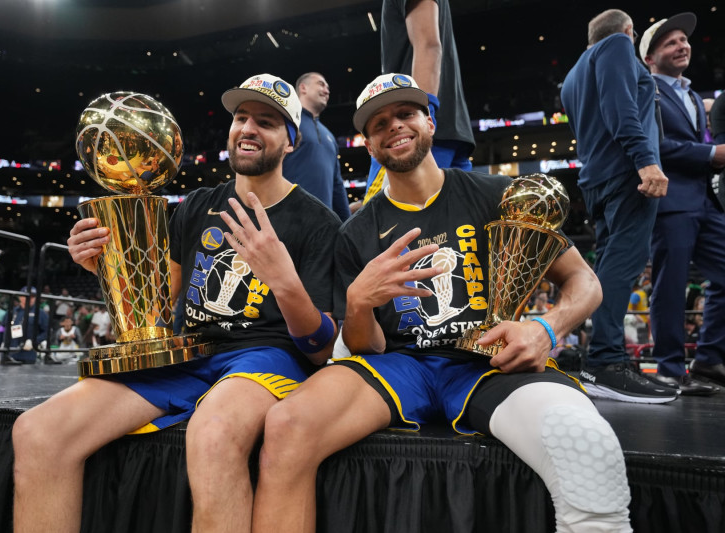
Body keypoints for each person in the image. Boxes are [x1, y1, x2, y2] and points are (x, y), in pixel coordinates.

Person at [252, 73, 633, 533]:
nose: (394, 125)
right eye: (379, 123)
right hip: (398, 366)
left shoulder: (494, 194)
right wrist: (358, 304)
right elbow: (365, 347)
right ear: (368, 144)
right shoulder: (354, 233)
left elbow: (584, 281)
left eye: (405, 114)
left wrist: (545, 329)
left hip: (489, 364)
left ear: (430, 122)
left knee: (583, 443)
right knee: (287, 426)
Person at [11, 73, 341, 533]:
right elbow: (162, 303)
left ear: (291, 142)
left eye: (266, 121)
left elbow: (322, 349)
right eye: (241, 117)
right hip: (187, 353)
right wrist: (105, 268)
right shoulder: (195, 205)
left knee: (213, 433)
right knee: (38, 433)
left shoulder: (319, 222)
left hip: (267, 356)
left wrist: (284, 281)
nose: (248, 128)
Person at [560, 9, 677, 403]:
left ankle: (597, 357)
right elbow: (621, 108)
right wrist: (646, 160)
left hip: (596, 178)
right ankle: (606, 361)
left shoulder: (574, 73)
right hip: (626, 172)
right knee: (625, 260)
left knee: (609, 262)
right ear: (629, 32)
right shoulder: (618, 46)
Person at [639, 13, 725, 395]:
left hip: (706, 200)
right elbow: (657, 147)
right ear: (650, 58)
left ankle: (707, 358)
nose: (682, 45)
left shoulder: (691, 94)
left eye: (684, 41)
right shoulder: (647, 90)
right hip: (673, 201)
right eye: (670, 42)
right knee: (670, 286)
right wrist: (711, 153)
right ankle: (671, 368)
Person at [361, 0, 476, 206]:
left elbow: (428, 46)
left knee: (379, 227)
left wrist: (423, 113)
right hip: (451, 130)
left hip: (412, 132)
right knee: (453, 228)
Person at [282, 72, 351, 221]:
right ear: (303, 88)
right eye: (321, 84)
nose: (327, 91)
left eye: (328, 88)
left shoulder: (330, 136)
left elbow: (337, 185)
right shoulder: (284, 124)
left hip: (323, 227)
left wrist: (348, 225)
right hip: (287, 221)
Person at [0, 287, 50, 364]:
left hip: (27, 355)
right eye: (27, 296)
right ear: (20, 297)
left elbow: (47, 333)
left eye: (33, 296)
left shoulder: (40, 313)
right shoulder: (11, 311)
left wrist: (34, 342)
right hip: (8, 354)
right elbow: (1, 330)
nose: (30, 299)